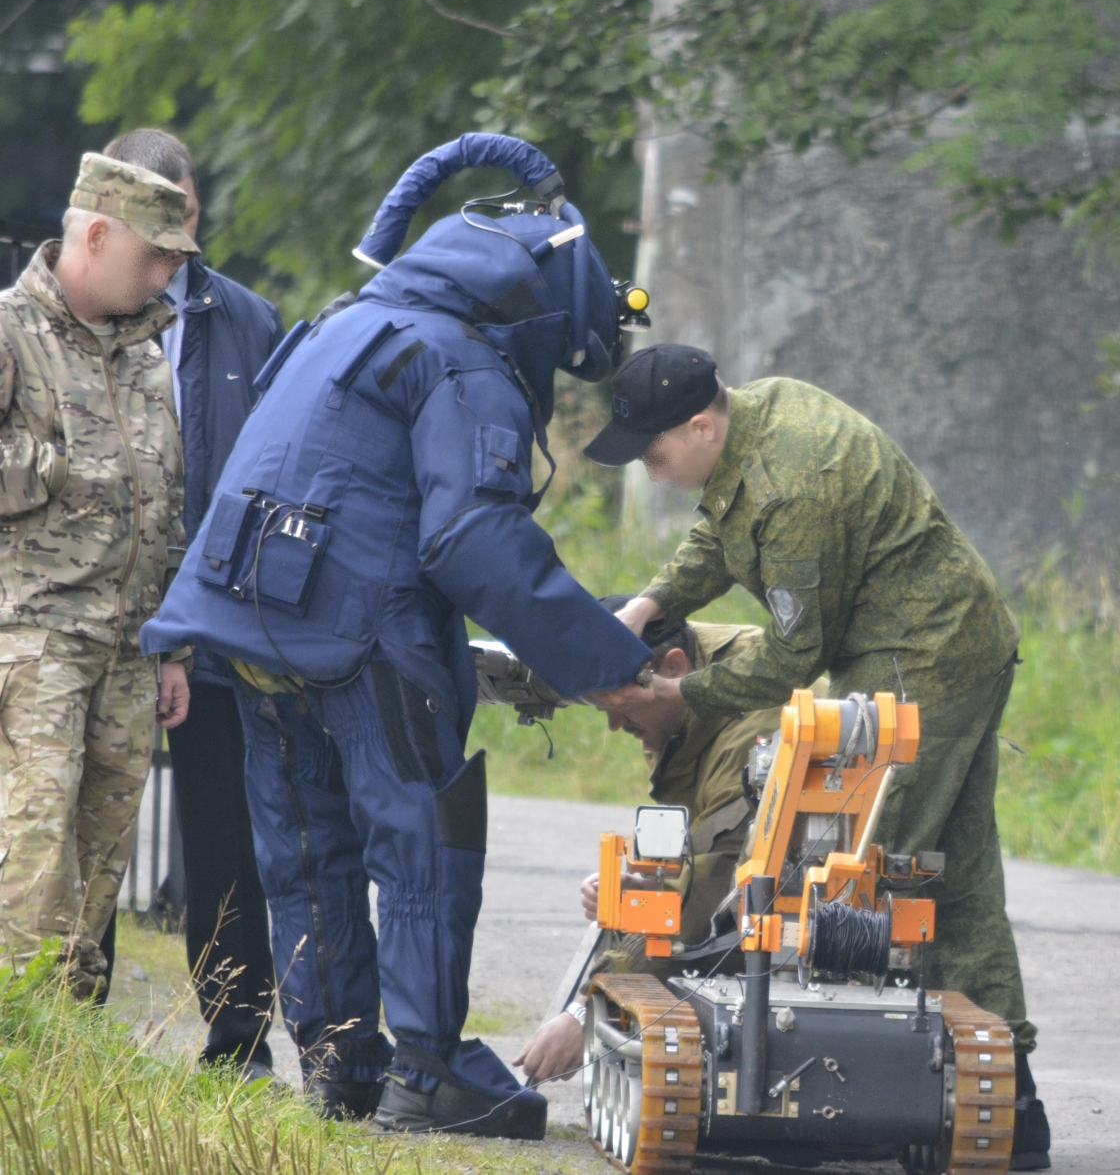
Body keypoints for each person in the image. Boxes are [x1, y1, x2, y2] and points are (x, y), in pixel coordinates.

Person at [140, 134, 651, 1139]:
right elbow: (474, 539)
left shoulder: (346, 321)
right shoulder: (464, 362)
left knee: (303, 843)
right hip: (359, 627)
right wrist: (612, 667)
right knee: (421, 832)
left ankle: (340, 1065)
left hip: (249, 620)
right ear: (541, 312)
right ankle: (427, 1069)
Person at [590, 344, 1052, 1168]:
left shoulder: (790, 486)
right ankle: (1011, 1109)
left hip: (923, 661)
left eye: (655, 454)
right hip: (949, 644)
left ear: (700, 424)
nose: (654, 473)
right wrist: (645, 607)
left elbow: (793, 657)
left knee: (853, 877)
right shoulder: (757, 415)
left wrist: (681, 698)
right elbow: (715, 538)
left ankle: (828, 1099)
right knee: (956, 876)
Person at [103, 128, 284, 1079]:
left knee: (225, 841)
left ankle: (238, 1037)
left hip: (212, 628)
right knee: (91, 828)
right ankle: (68, 1023)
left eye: (192, 220)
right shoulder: (73, 316)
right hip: (96, 618)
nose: (180, 245)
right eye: (163, 224)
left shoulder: (245, 322)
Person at [0, 153, 196, 1000]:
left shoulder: (146, 354)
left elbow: (168, 499)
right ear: (97, 233)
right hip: (36, 635)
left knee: (99, 871)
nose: (166, 275)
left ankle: (67, 1051)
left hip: (129, 647)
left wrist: (174, 644)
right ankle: (20, 1039)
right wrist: (51, 469)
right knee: (35, 857)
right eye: (154, 256)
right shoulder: (10, 331)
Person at [512, 603, 781, 1086]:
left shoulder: (756, 729)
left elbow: (709, 894)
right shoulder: (702, 668)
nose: (614, 726)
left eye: (621, 705)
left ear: (674, 669)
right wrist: (646, 882)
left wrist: (585, 1012)